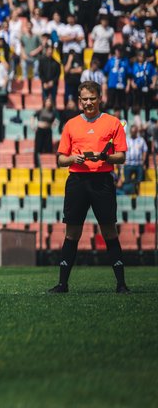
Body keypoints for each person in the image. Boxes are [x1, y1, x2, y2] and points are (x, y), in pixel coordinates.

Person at [49, 81, 129, 294]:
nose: (88, 102)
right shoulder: (71, 125)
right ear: (79, 100)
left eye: (92, 98)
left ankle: (121, 284)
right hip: (77, 182)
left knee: (109, 230)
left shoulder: (113, 123)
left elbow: (121, 157)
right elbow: (60, 160)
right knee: (72, 232)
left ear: (100, 98)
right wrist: (73, 158)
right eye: (84, 99)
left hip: (102, 181)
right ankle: (62, 284)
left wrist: (105, 157)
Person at [121, 123, 146, 195]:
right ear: (130, 132)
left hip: (138, 164)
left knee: (139, 181)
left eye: (134, 132)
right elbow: (122, 150)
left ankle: (138, 194)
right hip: (128, 164)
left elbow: (145, 150)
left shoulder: (141, 140)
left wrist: (143, 161)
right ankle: (129, 194)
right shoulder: (126, 140)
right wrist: (123, 161)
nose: (133, 133)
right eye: (132, 132)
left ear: (136, 132)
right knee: (127, 181)